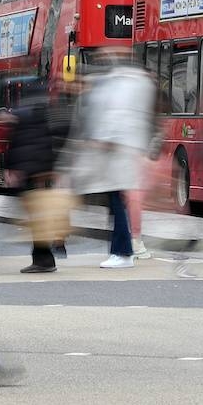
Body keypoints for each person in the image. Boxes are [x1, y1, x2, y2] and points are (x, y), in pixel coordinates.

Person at [63, 48, 156, 269]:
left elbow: (116, 119)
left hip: (117, 156)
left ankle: (123, 252)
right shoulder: (127, 83)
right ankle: (121, 250)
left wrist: (102, 139)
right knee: (116, 203)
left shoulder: (121, 86)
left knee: (117, 202)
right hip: (118, 156)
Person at [8, 80, 72, 274]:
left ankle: (44, 259)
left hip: (31, 172)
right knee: (47, 211)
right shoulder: (54, 113)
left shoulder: (23, 114)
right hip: (46, 170)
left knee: (37, 216)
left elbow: (17, 143)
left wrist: (11, 168)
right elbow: (62, 139)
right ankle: (55, 245)